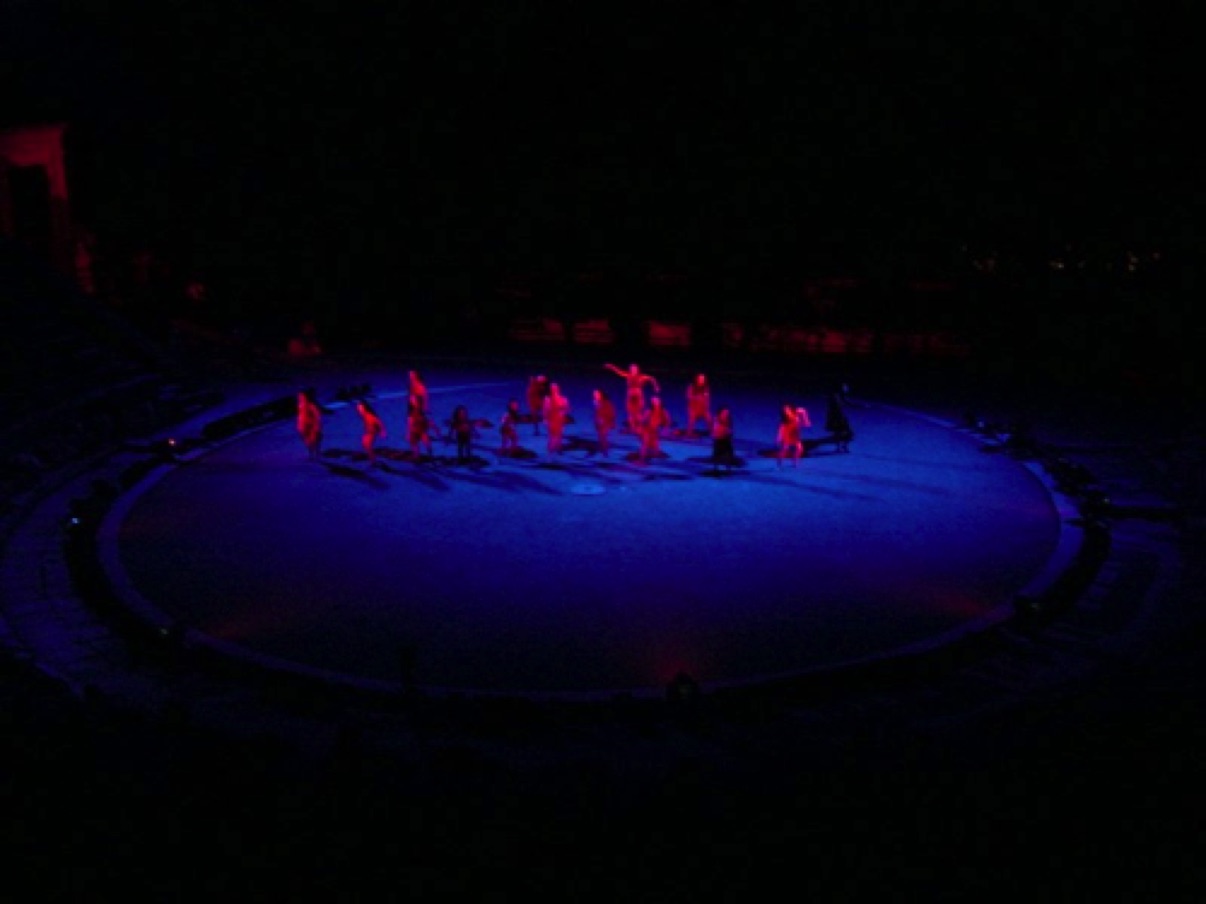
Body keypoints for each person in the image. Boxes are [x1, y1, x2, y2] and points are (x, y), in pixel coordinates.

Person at [605, 362, 659, 432]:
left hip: (638, 397)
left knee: (638, 413)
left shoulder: (641, 377)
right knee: (630, 413)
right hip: (630, 396)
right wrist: (611, 366)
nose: (633, 370)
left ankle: (639, 427)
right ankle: (632, 427)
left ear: (638, 370)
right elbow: (618, 371)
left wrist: (656, 386)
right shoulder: (628, 375)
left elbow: (651, 378)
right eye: (632, 369)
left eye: (635, 369)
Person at [638, 395, 672, 463]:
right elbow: (643, 420)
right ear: (652, 403)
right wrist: (641, 429)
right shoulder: (649, 411)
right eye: (654, 401)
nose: (656, 402)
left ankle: (652, 455)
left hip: (655, 430)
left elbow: (668, 420)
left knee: (655, 445)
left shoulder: (663, 411)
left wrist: (665, 428)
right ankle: (642, 459)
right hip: (647, 429)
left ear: (660, 402)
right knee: (645, 444)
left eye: (657, 401)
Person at [542, 382, 571, 458]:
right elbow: (545, 410)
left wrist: (563, 412)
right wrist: (545, 419)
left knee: (559, 435)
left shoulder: (563, 399)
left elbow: (567, 409)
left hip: (559, 420)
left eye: (555, 388)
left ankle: (558, 449)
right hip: (551, 420)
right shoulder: (547, 399)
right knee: (552, 436)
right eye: (552, 389)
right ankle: (551, 452)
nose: (553, 390)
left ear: (558, 389)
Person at [356, 399, 386, 467]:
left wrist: (382, 432)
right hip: (368, 431)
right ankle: (371, 459)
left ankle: (373, 461)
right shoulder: (364, 415)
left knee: (367, 445)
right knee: (365, 444)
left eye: (361, 408)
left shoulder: (370, 416)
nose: (359, 410)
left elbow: (379, 422)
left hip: (371, 432)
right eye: (358, 409)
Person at [296, 387, 323, 461]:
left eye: (301, 396)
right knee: (308, 441)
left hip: (311, 426)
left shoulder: (310, 405)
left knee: (314, 440)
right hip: (304, 425)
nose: (299, 398)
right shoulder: (302, 405)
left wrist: (317, 426)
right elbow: (301, 415)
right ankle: (313, 454)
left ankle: (315, 453)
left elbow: (316, 416)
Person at [684, 373, 712, 437]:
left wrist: (706, 407)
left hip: (703, 409)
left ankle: (712, 432)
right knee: (691, 419)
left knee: (709, 418)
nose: (702, 380)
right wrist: (697, 398)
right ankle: (689, 433)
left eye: (703, 379)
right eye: (700, 379)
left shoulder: (706, 388)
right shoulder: (691, 387)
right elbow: (688, 397)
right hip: (693, 408)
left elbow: (707, 398)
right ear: (697, 379)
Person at [407, 395, 433, 459]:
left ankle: (429, 456)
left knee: (426, 443)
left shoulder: (420, 410)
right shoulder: (412, 412)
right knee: (416, 444)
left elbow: (426, 419)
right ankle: (417, 457)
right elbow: (410, 422)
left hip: (420, 428)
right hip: (416, 429)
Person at [593, 388, 617, 457]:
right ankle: (603, 450)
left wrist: (605, 419)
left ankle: (605, 451)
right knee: (601, 436)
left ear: (601, 394)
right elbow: (597, 412)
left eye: (596, 394)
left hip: (605, 422)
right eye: (594, 394)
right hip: (599, 423)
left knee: (603, 436)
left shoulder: (606, 402)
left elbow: (611, 412)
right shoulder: (596, 402)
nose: (595, 395)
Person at [712, 406, 735, 470]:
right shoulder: (716, 420)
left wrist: (729, 432)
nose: (726, 414)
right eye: (724, 413)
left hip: (726, 439)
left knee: (728, 453)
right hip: (719, 439)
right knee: (717, 453)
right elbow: (715, 430)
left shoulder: (728, 420)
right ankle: (716, 468)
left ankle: (728, 467)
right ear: (720, 413)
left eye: (727, 413)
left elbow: (730, 430)